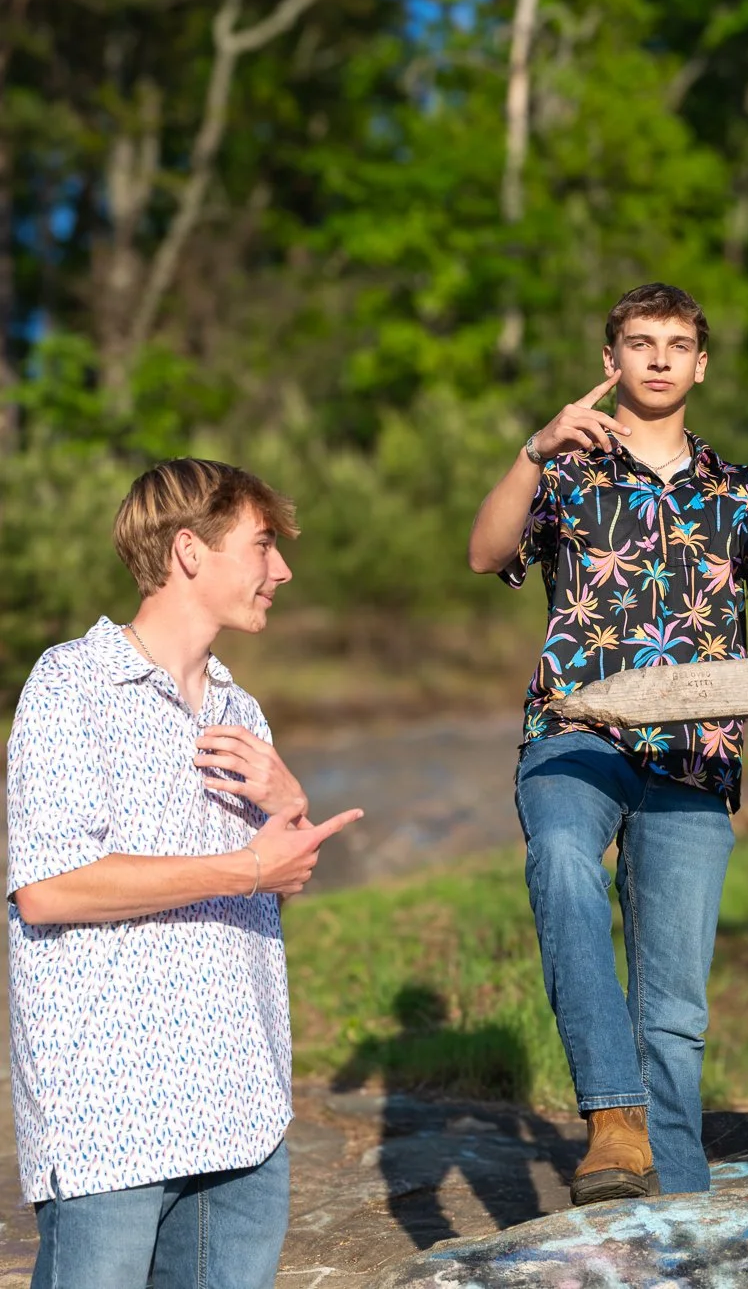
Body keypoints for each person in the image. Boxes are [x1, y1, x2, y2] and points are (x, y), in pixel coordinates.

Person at [468, 282, 748, 1204]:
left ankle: (675, 1204)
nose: (661, 357)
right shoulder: (569, 469)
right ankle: (612, 1118)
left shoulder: (735, 487)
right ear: (612, 361)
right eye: (641, 342)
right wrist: (530, 449)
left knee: (674, 1014)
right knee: (560, 857)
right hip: (576, 734)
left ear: (701, 364)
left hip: (695, 753)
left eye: (678, 343)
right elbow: (485, 553)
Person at [7, 457, 363, 1289]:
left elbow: (281, 875)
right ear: (190, 551)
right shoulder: (72, 685)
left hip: (242, 1109)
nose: (281, 570)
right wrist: (246, 867)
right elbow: (49, 887)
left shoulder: (241, 707)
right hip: (112, 1118)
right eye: (263, 545)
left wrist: (291, 802)